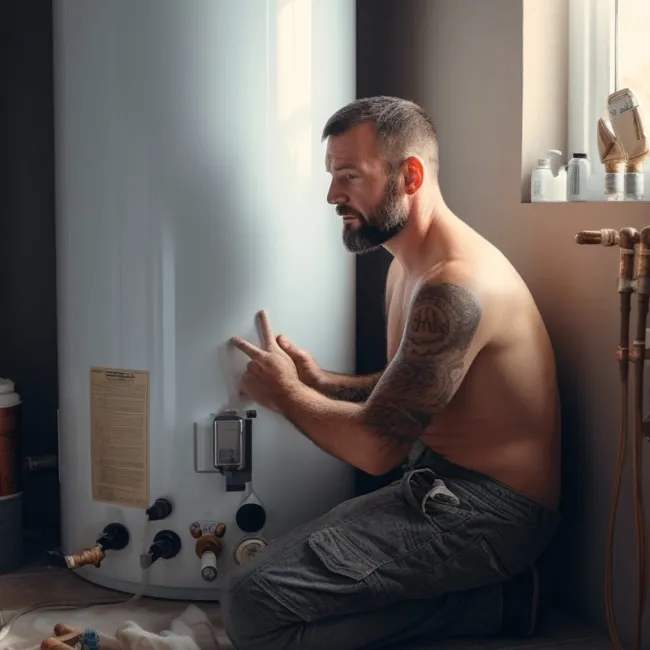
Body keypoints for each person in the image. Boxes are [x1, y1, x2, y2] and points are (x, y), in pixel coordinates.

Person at [224, 96, 561, 650]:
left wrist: (284, 394)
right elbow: (420, 390)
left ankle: (491, 603)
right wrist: (323, 382)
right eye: (332, 176)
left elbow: (377, 446)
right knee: (259, 590)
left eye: (350, 177)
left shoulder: (457, 288)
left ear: (410, 175)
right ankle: (486, 601)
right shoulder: (406, 264)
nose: (333, 195)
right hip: (436, 480)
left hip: (490, 513)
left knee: (250, 604)